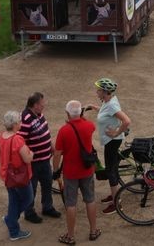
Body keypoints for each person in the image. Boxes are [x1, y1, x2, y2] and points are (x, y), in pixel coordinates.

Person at [53, 100, 100, 244]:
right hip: (87, 170)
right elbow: (88, 125)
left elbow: (57, 154)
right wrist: (82, 117)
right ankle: (93, 231)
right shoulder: (89, 126)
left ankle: (71, 236)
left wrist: (55, 171)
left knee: (71, 204)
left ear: (67, 113)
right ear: (80, 113)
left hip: (71, 172)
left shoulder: (64, 130)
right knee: (90, 200)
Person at [86, 78, 131, 214]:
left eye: (98, 90)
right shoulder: (108, 101)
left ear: (105, 92)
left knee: (111, 171)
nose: (97, 92)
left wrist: (116, 132)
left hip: (112, 141)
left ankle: (116, 204)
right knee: (113, 168)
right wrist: (94, 107)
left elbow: (127, 121)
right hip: (110, 141)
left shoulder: (111, 105)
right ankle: (114, 193)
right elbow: (107, 111)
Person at [20, 93, 63, 223]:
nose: (44, 106)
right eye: (42, 104)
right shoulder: (25, 119)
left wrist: (51, 147)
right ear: (35, 105)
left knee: (47, 183)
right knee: (31, 187)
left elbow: (46, 133)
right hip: (33, 162)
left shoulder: (39, 115)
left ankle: (47, 207)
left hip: (44, 158)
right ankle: (29, 212)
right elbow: (21, 142)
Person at [0, 110, 35, 241]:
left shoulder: (2, 136)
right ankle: (11, 222)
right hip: (19, 176)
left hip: (7, 175)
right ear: (14, 124)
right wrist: (32, 154)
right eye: (19, 121)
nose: (21, 123)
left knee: (13, 200)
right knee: (28, 199)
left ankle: (11, 222)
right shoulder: (17, 139)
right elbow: (27, 159)